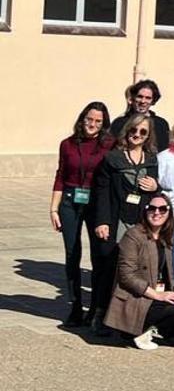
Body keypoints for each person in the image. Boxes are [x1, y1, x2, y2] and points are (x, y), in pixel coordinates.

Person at [104, 192, 174, 349]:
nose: (157, 212)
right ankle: (136, 330)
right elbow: (126, 276)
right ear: (145, 211)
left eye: (162, 209)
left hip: (162, 296)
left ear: (169, 213)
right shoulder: (133, 236)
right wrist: (157, 294)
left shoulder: (170, 237)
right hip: (140, 297)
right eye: (152, 208)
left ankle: (152, 326)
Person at [92, 114, 161, 330]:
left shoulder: (151, 160)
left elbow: (154, 195)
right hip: (116, 220)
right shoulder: (112, 159)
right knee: (108, 266)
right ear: (127, 131)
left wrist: (155, 187)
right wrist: (102, 221)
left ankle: (133, 316)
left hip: (141, 222)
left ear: (148, 136)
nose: (137, 135)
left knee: (138, 268)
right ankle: (99, 313)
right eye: (134, 130)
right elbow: (101, 192)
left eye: (143, 132)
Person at [51, 101, 112, 326]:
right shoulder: (67, 144)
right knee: (72, 254)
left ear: (104, 123)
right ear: (82, 119)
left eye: (98, 121)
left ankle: (95, 308)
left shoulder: (109, 145)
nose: (92, 124)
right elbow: (60, 175)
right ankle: (75, 306)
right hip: (69, 201)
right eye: (89, 119)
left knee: (99, 255)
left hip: (96, 203)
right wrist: (53, 208)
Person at [110, 79, 170, 150]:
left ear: (153, 101)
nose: (143, 101)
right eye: (140, 96)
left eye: (148, 98)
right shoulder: (119, 123)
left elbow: (163, 151)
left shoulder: (161, 124)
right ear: (133, 98)